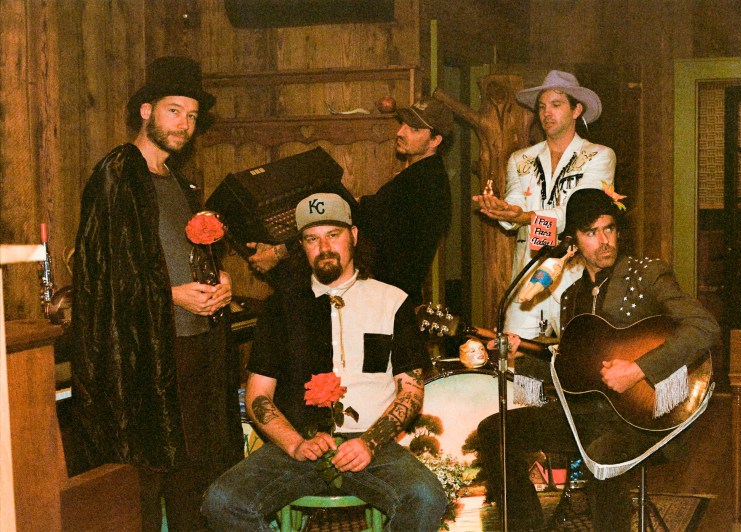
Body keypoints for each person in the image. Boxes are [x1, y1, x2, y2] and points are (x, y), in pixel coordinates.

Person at [476, 188, 720, 530]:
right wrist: (520, 356)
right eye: (591, 233)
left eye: (609, 229)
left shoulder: (646, 274)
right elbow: (569, 372)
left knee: (600, 455)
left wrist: (638, 369)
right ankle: (525, 525)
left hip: (643, 418)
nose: (604, 241)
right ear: (573, 242)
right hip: (584, 415)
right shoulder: (571, 297)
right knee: (496, 431)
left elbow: (704, 327)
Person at [202, 193, 448, 530]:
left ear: (354, 236)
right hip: (299, 443)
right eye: (312, 239)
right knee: (222, 501)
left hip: (372, 445)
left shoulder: (392, 301)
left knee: (425, 496)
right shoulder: (280, 307)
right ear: (302, 246)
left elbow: (411, 392)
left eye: (334, 234)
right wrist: (295, 444)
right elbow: (258, 394)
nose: (324, 247)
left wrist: (369, 443)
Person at [70, 56, 244, 530]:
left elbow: (182, 253)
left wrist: (219, 279)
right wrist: (171, 296)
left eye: (191, 116)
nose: (184, 124)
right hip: (149, 354)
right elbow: (99, 274)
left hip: (196, 346)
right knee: (149, 475)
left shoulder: (181, 183)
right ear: (145, 111)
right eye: (173, 111)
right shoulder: (119, 173)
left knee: (197, 470)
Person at [248, 97, 453, 305]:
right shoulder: (421, 176)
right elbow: (370, 209)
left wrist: (276, 252)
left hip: (385, 302)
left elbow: (351, 220)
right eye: (403, 124)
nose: (400, 132)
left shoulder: (422, 183)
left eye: (415, 129)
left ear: (436, 140)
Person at [472, 70, 616, 340]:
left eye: (556, 105)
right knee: (516, 358)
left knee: (578, 358)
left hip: (576, 274)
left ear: (577, 110)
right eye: (541, 106)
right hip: (527, 273)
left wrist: (524, 216)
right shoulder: (520, 158)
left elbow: (579, 214)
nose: (546, 113)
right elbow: (514, 205)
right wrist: (502, 210)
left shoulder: (599, 155)